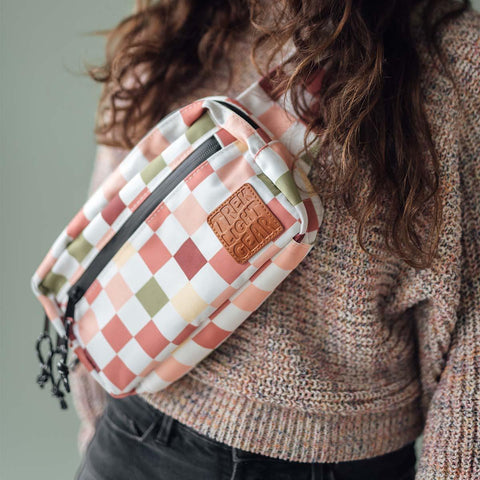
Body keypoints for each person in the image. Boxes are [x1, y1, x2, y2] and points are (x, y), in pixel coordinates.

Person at [72, 0, 480, 479]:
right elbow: (112, 243)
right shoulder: (181, 18)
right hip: (137, 441)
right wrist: (96, 428)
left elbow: (468, 352)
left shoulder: (455, 58)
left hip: (337, 464)